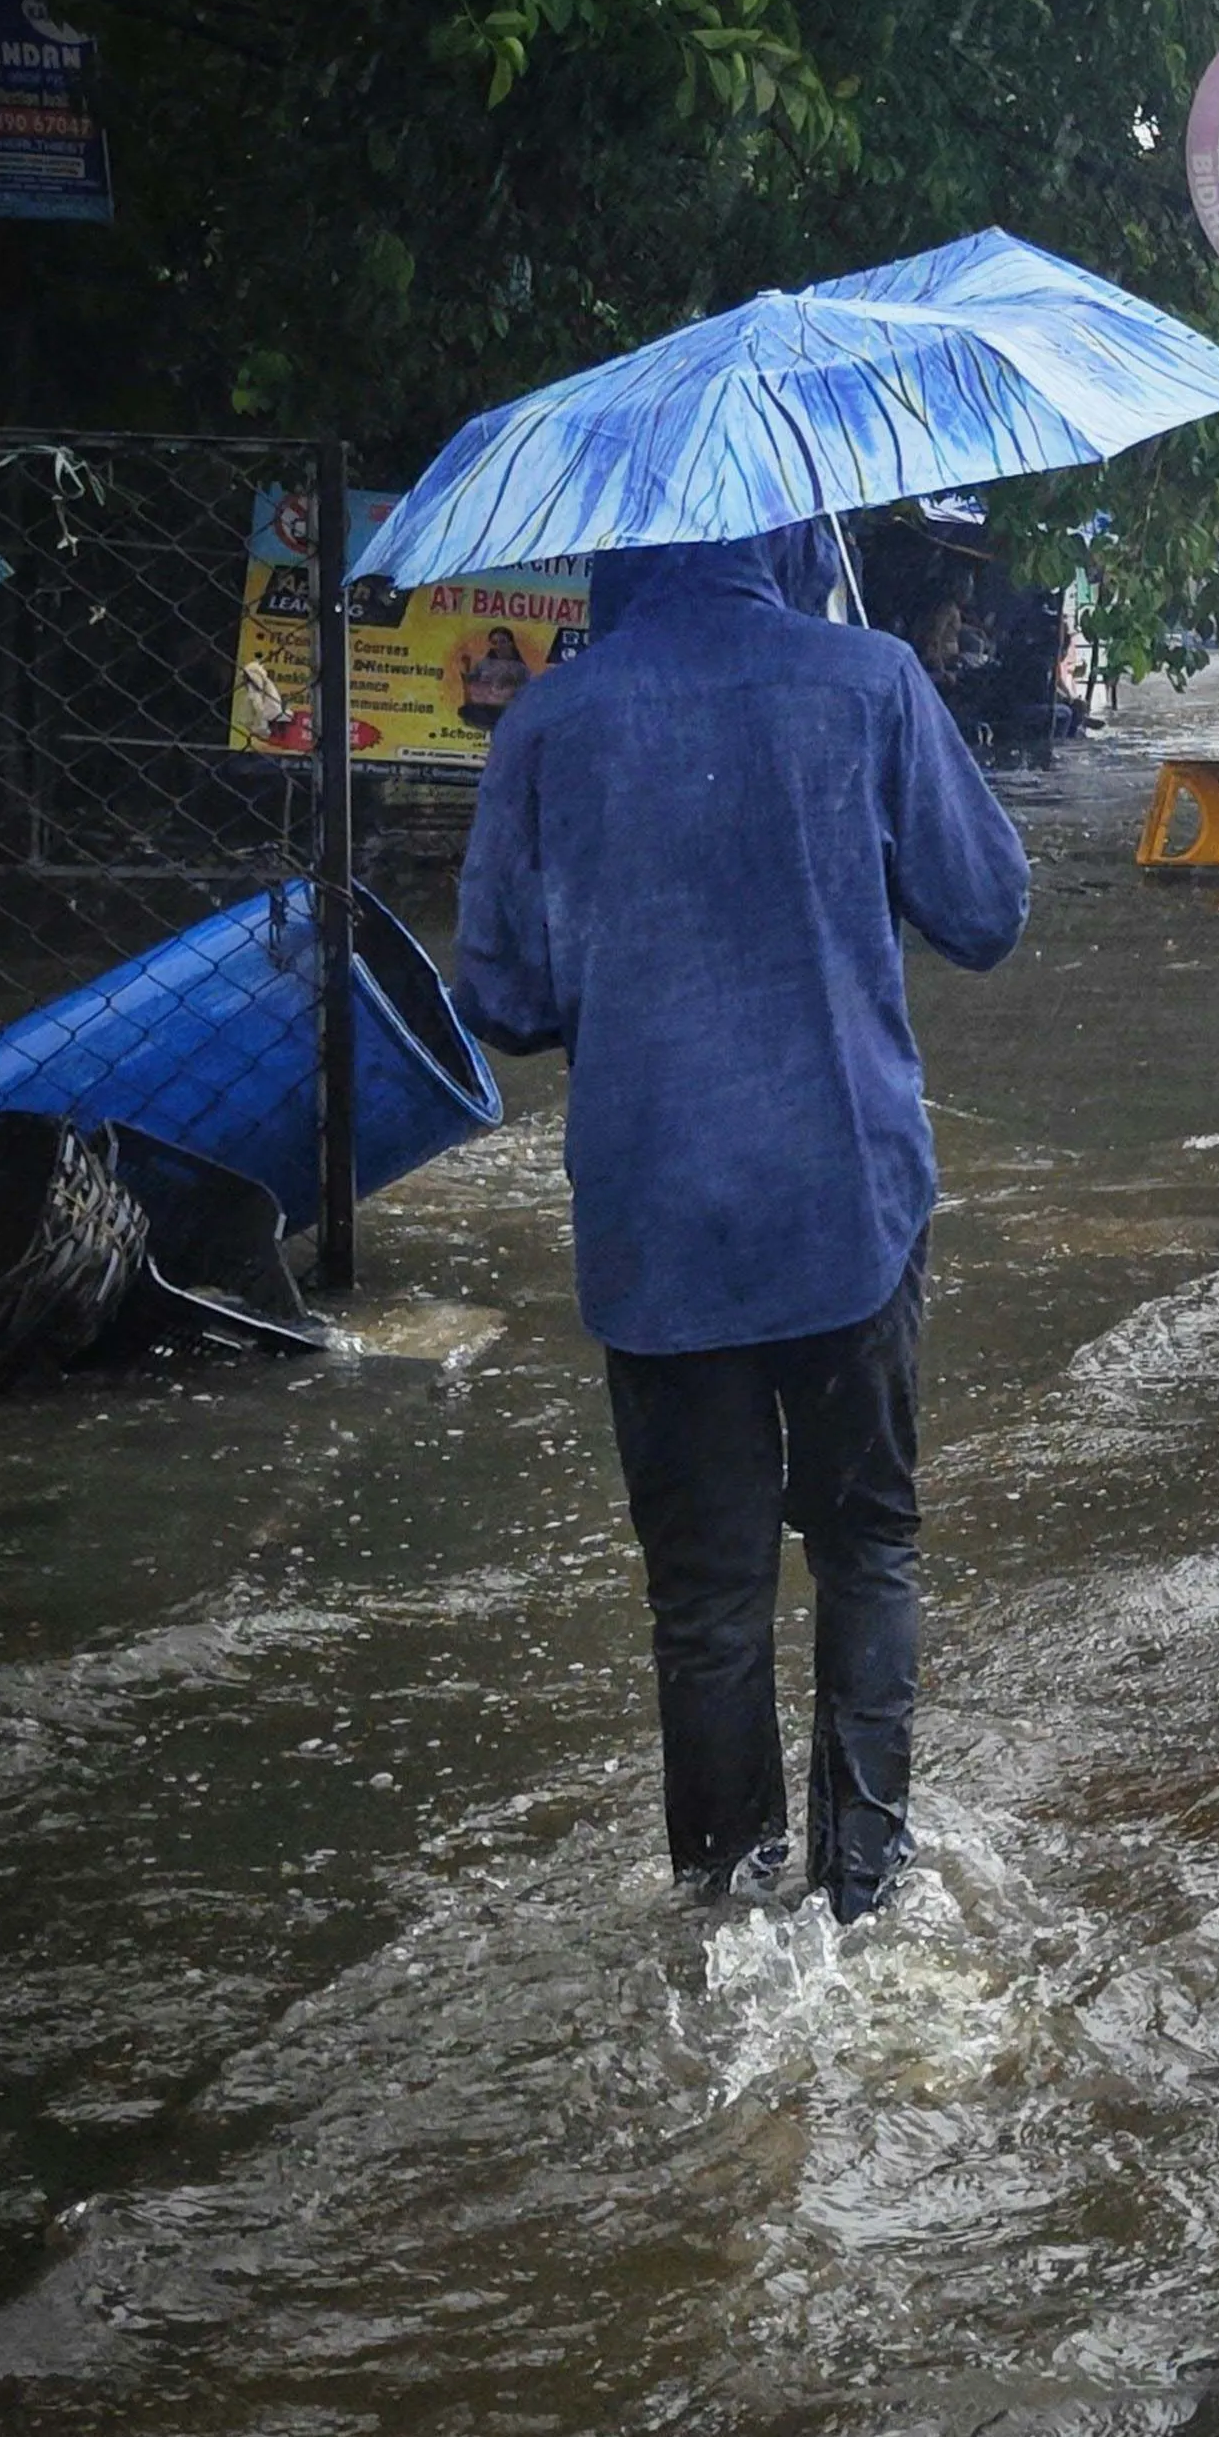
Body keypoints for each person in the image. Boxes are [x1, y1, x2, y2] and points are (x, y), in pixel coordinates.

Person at [449, 518, 1029, 1921]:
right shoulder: (871, 682)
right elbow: (990, 908)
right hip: (849, 1211)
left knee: (706, 1602)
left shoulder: (547, 723)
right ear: (784, 533)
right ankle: (863, 1898)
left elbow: (501, 998)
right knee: (866, 1549)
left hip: (659, 1229)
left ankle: (724, 1921)